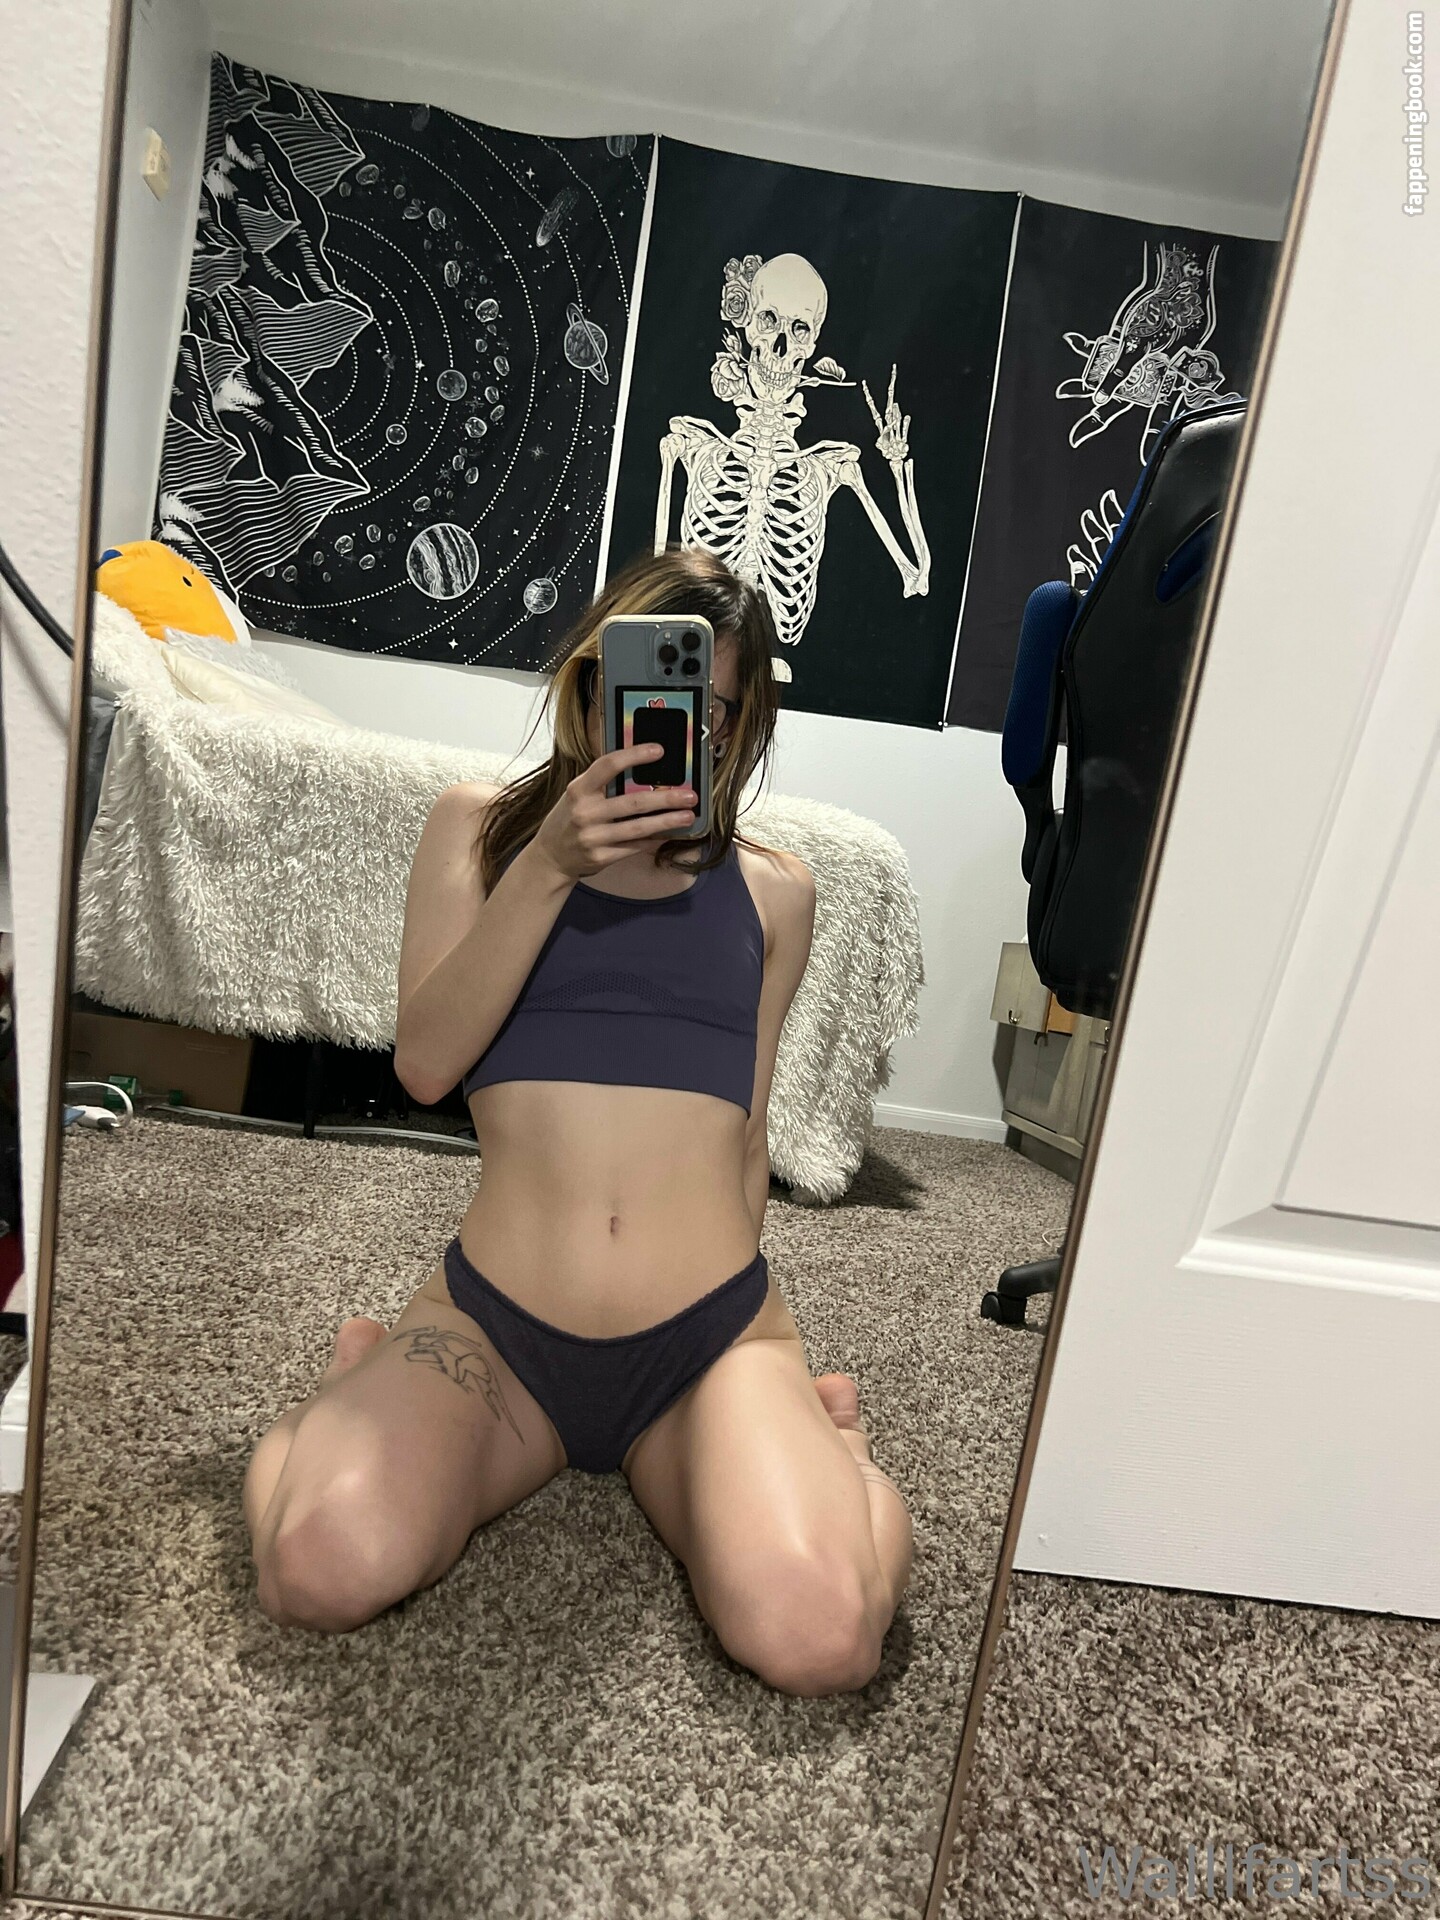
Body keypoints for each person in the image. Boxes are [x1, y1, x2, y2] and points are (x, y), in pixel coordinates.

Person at [244, 548, 913, 1695]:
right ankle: (363, 1376)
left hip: (705, 1347)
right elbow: (425, 1065)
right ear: (592, 681)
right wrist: (549, 866)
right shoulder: (476, 833)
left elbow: (747, 1130)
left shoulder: (778, 891)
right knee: (315, 1566)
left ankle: (836, 1450)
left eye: (710, 705)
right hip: (496, 1335)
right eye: (644, 683)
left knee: (822, 1637)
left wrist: (758, 1390)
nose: (670, 722)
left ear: (738, 723)